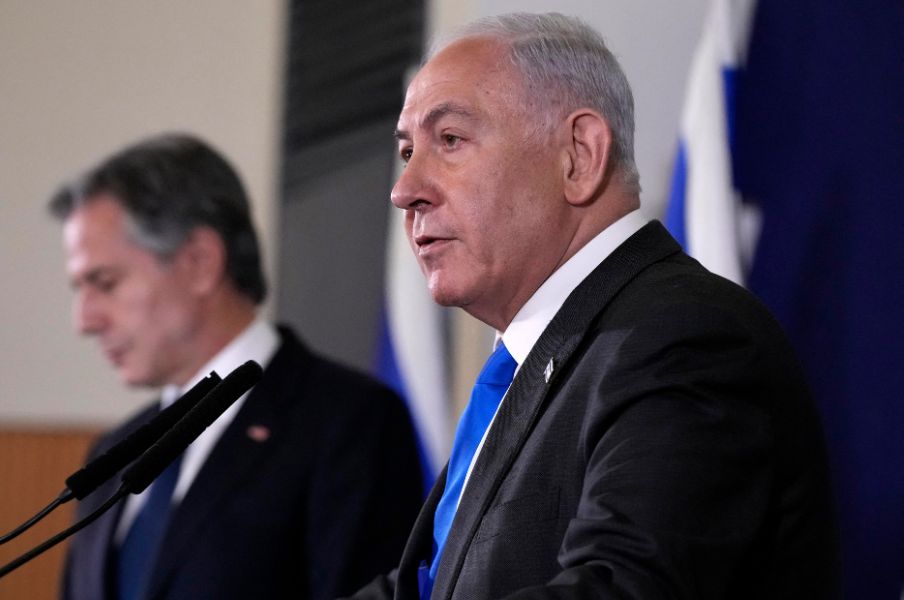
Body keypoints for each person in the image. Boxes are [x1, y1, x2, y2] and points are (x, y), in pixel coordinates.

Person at [350, 12, 838, 600]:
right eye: (408, 152)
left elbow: (621, 588)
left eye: (449, 140)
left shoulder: (684, 339)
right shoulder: (540, 364)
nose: (404, 190)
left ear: (579, 156)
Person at [50, 133, 423, 600]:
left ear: (200, 262)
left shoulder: (351, 425)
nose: (85, 320)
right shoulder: (111, 457)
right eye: (79, 289)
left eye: (105, 283)